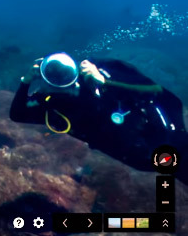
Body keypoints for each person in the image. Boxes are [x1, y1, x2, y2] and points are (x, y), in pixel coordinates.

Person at [10, 52, 188, 182]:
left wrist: (104, 82)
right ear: (44, 79)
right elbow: (17, 114)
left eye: (66, 74)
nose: (64, 84)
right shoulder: (53, 105)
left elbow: (156, 92)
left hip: (165, 133)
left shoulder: (101, 71)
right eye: (54, 78)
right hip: (141, 156)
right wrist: (26, 81)